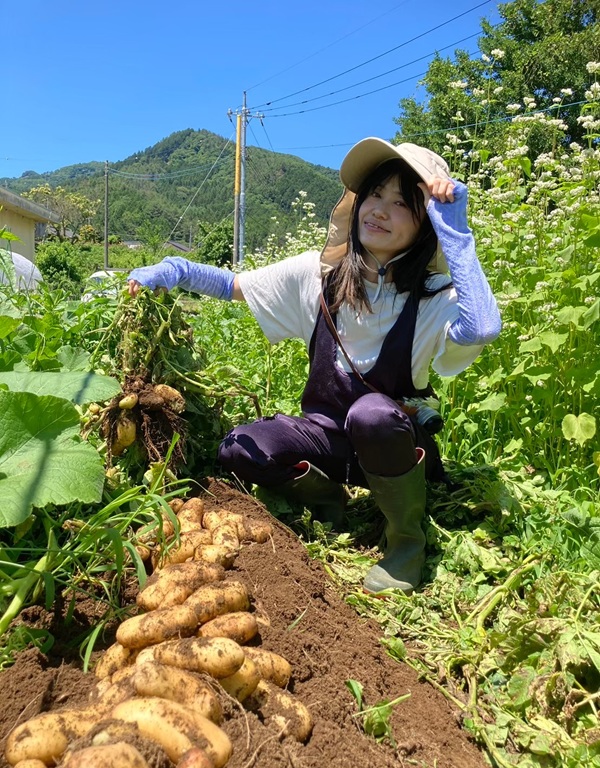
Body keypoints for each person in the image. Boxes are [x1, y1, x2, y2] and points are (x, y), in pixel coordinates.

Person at [127, 137, 501, 595]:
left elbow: (482, 328)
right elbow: (233, 285)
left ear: (426, 222)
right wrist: (175, 270)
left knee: (372, 414)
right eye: (375, 195)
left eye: (402, 203)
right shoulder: (317, 277)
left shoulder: (433, 298)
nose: (380, 210)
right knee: (240, 449)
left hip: (395, 446)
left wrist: (456, 233)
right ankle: (329, 498)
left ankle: (406, 540)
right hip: (327, 441)